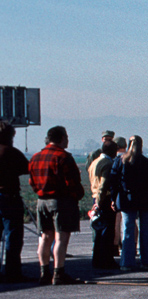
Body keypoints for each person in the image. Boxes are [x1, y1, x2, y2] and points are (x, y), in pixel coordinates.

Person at [30, 126, 85, 285]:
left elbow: (32, 182)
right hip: (61, 201)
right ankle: (59, 273)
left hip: (42, 201)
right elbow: (72, 182)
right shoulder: (63, 157)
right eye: (66, 137)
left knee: (45, 236)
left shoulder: (35, 157)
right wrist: (77, 195)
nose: (67, 140)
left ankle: (44, 272)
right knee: (61, 237)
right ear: (61, 138)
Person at [110, 135, 148, 269]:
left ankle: (127, 262)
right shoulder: (147, 162)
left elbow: (114, 182)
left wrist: (113, 199)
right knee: (147, 230)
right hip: (145, 200)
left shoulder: (120, 161)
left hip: (127, 200)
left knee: (127, 230)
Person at [0, 122, 31, 282]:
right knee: (13, 235)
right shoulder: (11, 152)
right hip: (8, 197)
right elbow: (26, 168)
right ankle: (12, 271)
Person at [87, 138, 119, 270]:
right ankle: (106, 260)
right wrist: (100, 202)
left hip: (95, 197)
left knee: (98, 232)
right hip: (104, 200)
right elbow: (104, 185)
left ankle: (97, 259)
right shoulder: (107, 164)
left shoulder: (95, 162)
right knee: (107, 231)